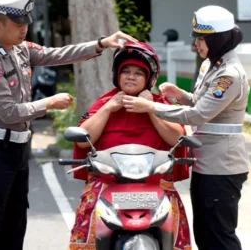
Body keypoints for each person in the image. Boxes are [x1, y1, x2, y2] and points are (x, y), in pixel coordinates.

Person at [0, 0, 137, 250]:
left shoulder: (19, 48)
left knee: (14, 224)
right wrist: (48, 103)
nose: (24, 30)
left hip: (17, 150)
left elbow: (56, 54)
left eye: (25, 23)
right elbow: (9, 112)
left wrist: (100, 43)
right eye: (17, 24)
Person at [122, 5, 250, 250]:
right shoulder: (211, 65)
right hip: (206, 162)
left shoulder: (229, 75)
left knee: (220, 235)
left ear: (218, 39)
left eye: (202, 38)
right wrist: (180, 95)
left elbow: (200, 114)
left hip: (223, 165)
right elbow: (204, 103)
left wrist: (151, 108)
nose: (196, 45)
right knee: (204, 232)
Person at [69, 42, 192, 250]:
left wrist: (151, 110)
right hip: (108, 181)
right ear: (117, 75)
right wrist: (108, 108)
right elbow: (83, 139)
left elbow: (177, 138)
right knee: (89, 206)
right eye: (125, 71)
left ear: (148, 79)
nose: (131, 77)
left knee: (173, 212)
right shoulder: (105, 102)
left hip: (155, 181)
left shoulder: (159, 103)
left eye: (138, 73)